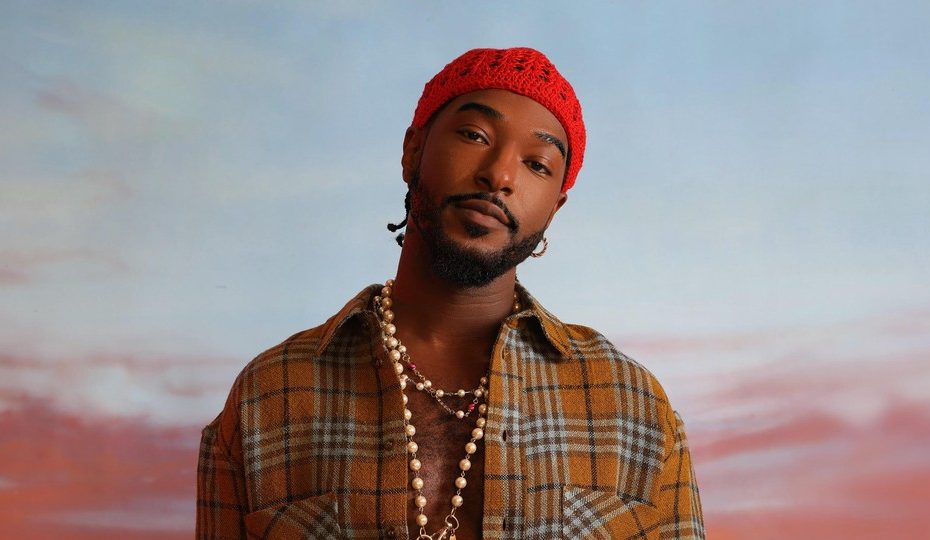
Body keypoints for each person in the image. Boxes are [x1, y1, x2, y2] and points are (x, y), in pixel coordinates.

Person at [197, 47, 704, 540]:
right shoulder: (269, 395)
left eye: (537, 164)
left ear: (555, 207)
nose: (499, 175)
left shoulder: (631, 406)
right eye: (475, 135)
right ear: (412, 151)